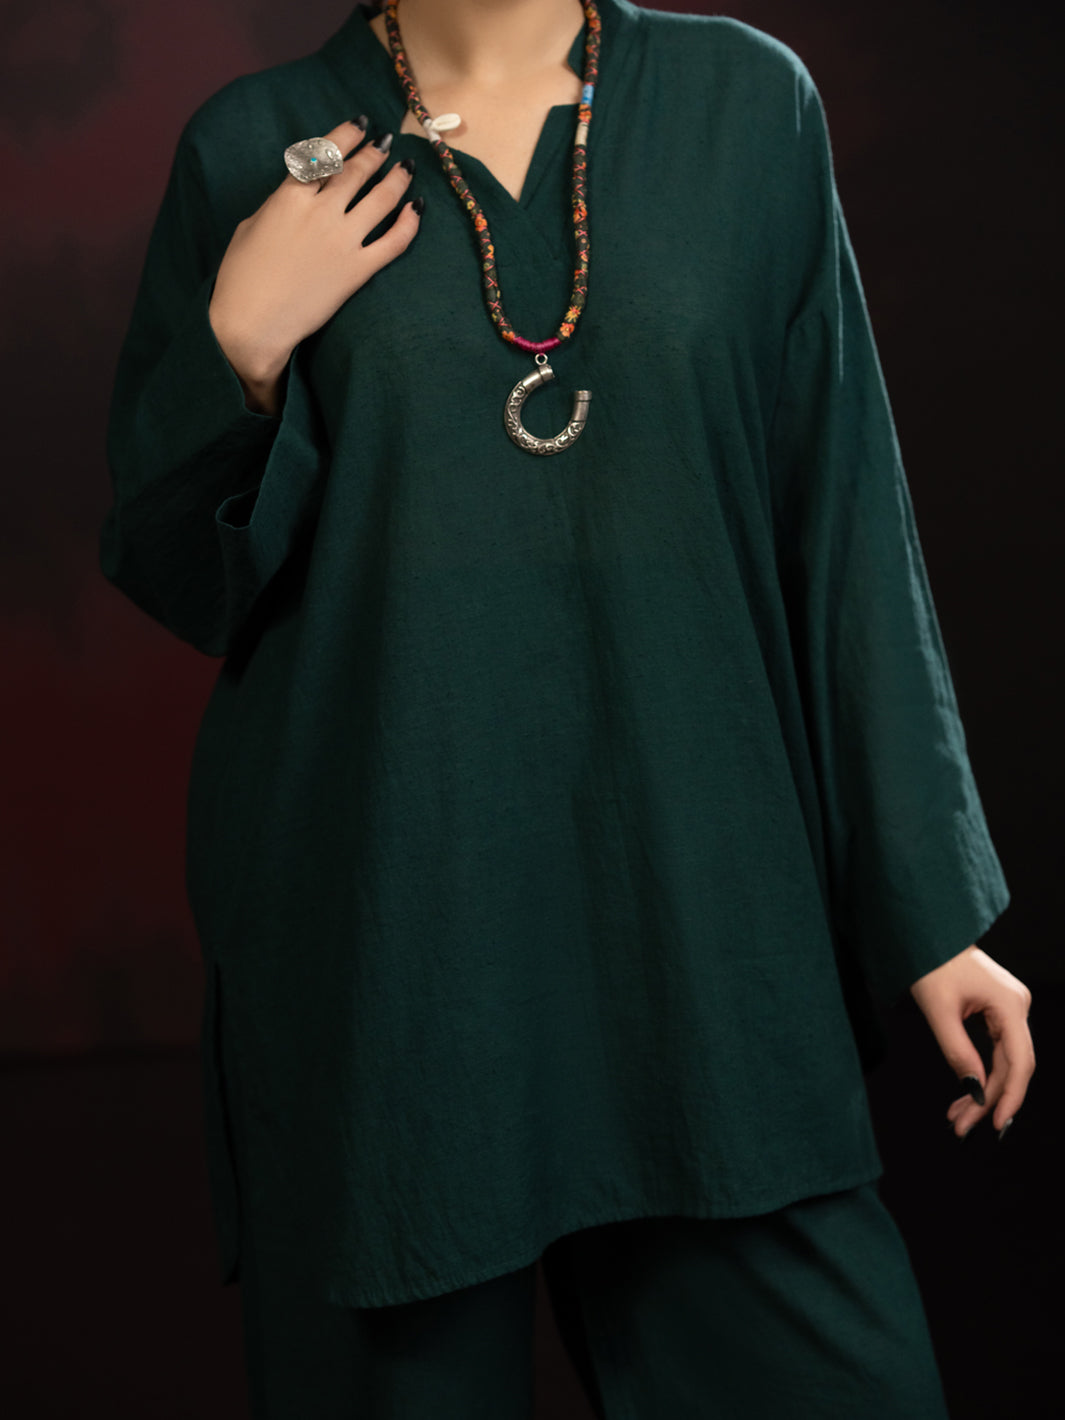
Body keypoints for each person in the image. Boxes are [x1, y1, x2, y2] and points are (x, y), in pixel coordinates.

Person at [99, 0, 1035, 1414]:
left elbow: (842, 521)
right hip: (391, 952)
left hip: (704, 926)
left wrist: (928, 906)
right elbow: (185, 580)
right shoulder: (255, 147)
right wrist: (238, 348)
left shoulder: (742, 109)